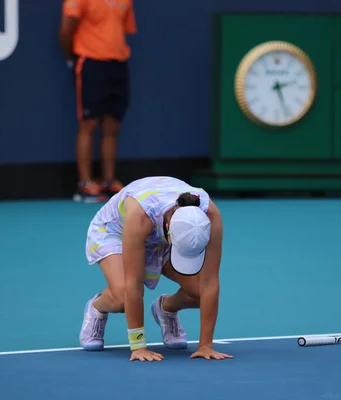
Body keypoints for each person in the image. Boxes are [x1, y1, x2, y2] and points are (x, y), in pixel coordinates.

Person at [79, 176, 233, 362]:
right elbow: (133, 285)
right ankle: (98, 307)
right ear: (168, 229)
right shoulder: (140, 216)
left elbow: (210, 283)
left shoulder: (210, 215)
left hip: (159, 234)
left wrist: (205, 345)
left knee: (199, 291)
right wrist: (138, 346)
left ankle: (165, 308)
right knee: (122, 298)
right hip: (115, 232)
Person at [59, 0, 137, 203]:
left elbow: (123, 29)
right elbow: (66, 30)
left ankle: (108, 181)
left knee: (112, 124)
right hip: (90, 63)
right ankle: (85, 183)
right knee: (89, 123)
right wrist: (72, 59)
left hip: (118, 64)